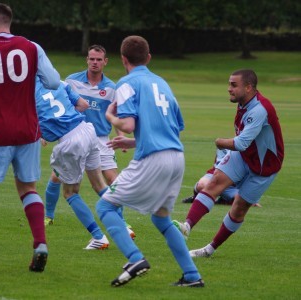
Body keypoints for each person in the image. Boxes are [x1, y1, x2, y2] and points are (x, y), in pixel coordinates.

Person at [95, 35, 204, 287]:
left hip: (153, 159)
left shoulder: (126, 82)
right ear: (149, 58)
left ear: (123, 59)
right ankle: (192, 275)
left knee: (105, 207)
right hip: (176, 157)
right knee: (161, 218)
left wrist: (110, 116)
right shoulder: (162, 82)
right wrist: (134, 143)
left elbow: (128, 124)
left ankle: (135, 259)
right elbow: (173, 127)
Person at [0, 2, 60, 272]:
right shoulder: (32, 47)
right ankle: (40, 243)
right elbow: (53, 81)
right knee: (28, 189)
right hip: (28, 130)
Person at [176, 69, 284, 258]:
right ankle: (187, 226)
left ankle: (209, 249)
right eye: (229, 84)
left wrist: (220, 142)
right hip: (243, 156)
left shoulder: (259, 109)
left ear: (249, 87)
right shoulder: (245, 103)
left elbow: (241, 143)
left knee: (239, 208)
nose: (229, 89)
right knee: (214, 182)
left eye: (234, 85)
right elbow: (244, 145)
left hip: (264, 168)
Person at [44, 45, 135, 239]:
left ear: (105, 62)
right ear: (87, 60)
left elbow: (115, 113)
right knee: (56, 177)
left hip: (101, 139)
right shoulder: (72, 81)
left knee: (112, 180)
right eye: (91, 59)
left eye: (98, 59)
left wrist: (121, 134)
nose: (95, 62)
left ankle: (121, 221)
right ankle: (48, 216)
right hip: (76, 135)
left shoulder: (112, 87)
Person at [35, 77, 111, 250]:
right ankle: (123, 225)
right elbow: (83, 105)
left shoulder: (26, 92)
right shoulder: (58, 82)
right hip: (87, 129)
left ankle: (98, 237)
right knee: (99, 184)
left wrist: (50, 130)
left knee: (70, 193)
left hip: (71, 142)